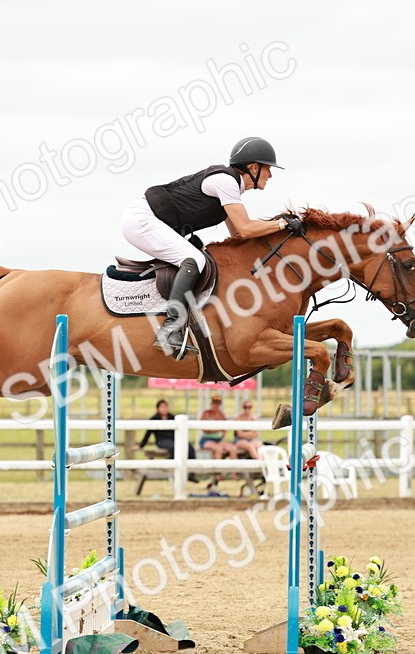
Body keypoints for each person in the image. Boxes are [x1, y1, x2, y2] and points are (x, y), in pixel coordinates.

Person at [120, 136, 305, 359]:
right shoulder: (225, 182)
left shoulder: (230, 187)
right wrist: (282, 223)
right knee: (195, 260)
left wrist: (278, 228)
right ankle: (169, 329)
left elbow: (237, 235)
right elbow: (246, 228)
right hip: (142, 220)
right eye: (268, 168)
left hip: (148, 220)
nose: (271, 175)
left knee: (197, 257)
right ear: (254, 167)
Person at [198, 395, 237, 461]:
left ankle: (233, 470)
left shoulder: (221, 414)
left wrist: (221, 433)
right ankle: (218, 470)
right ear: (212, 404)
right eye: (215, 403)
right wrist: (217, 430)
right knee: (218, 449)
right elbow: (204, 429)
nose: (216, 405)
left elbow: (225, 429)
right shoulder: (206, 413)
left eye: (218, 403)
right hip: (207, 440)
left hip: (218, 440)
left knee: (233, 448)